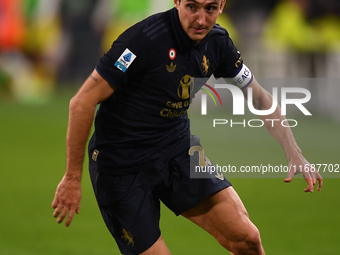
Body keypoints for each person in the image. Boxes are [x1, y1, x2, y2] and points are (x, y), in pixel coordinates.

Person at [52, 1, 323, 254]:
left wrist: (294, 152)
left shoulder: (218, 42)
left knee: (247, 240)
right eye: (192, 7)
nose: (201, 19)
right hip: (121, 165)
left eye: (210, 8)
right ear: (177, 2)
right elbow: (81, 102)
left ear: (222, 6)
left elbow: (260, 97)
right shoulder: (143, 40)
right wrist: (72, 178)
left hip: (177, 150)